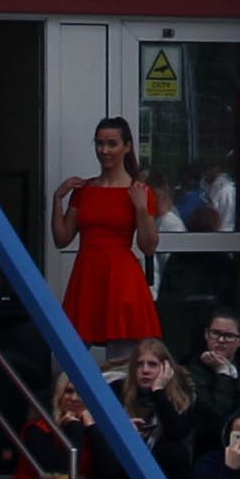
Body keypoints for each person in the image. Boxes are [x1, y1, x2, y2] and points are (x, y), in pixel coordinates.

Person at [50, 114, 163, 352]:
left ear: (127, 147)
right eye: (99, 143)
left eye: (112, 144)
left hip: (121, 277)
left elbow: (148, 246)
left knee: (123, 361)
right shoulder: (84, 190)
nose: (104, 150)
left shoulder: (139, 191)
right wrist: (57, 199)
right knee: (70, 355)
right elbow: (62, 239)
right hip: (87, 274)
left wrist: (141, 207)